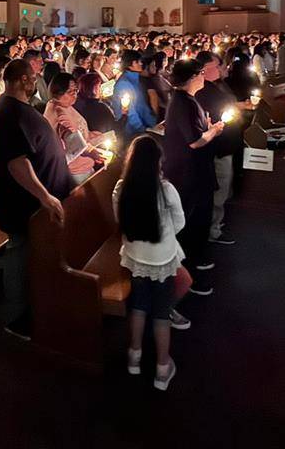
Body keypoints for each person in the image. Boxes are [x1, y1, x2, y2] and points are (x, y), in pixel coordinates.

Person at [0, 59, 72, 339]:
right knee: (19, 252)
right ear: (24, 80)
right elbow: (16, 162)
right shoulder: (8, 111)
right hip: (23, 203)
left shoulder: (19, 108)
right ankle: (14, 316)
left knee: (29, 252)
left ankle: (34, 302)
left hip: (33, 202)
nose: (36, 81)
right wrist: (45, 196)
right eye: (33, 77)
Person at [114, 136, 191, 391]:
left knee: (138, 306)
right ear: (156, 162)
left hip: (135, 257)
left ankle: (134, 357)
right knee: (160, 313)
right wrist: (165, 235)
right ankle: (162, 368)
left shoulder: (121, 188)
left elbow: (119, 220)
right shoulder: (166, 190)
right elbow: (180, 223)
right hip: (162, 260)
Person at [163, 59, 224, 296]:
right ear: (191, 78)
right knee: (189, 218)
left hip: (193, 169)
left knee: (198, 216)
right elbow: (194, 141)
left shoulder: (186, 100)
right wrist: (214, 130)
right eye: (200, 73)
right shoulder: (182, 103)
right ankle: (187, 274)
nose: (203, 77)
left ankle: (195, 258)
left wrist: (206, 126)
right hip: (187, 172)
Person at [194, 51, 240, 247]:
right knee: (218, 190)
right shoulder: (201, 92)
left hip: (224, 145)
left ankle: (215, 224)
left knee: (222, 188)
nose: (221, 68)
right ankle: (213, 230)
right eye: (217, 65)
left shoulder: (215, 86)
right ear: (204, 69)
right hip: (217, 148)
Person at [43, 72, 99, 184]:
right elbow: (71, 136)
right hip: (77, 171)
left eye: (76, 90)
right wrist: (91, 151)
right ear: (58, 92)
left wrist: (93, 135)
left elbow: (79, 128)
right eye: (70, 92)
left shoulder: (65, 105)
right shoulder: (58, 111)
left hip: (83, 166)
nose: (75, 95)